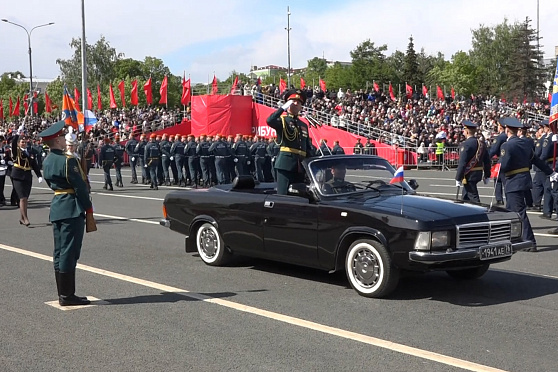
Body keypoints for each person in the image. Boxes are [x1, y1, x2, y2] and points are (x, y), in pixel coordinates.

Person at [39, 120, 93, 306]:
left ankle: (63, 293)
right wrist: (87, 207)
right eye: (61, 137)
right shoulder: (68, 160)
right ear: (57, 141)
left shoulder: (47, 160)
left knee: (59, 252)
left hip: (57, 206)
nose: (64, 139)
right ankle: (67, 295)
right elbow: (80, 187)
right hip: (71, 207)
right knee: (69, 252)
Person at [498, 117, 557, 252]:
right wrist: (550, 172)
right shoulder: (525, 144)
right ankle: (513, 239)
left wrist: (496, 170)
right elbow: (536, 160)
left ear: (507, 130)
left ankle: (529, 242)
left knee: (519, 213)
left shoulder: (507, 146)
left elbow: (505, 165)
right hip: (524, 180)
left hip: (513, 182)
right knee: (511, 213)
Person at [266, 89, 314, 195]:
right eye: (293, 101)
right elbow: (270, 121)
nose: (296, 104)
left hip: (300, 165)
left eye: (299, 102)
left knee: (300, 195)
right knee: (283, 195)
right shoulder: (283, 120)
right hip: (285, 164)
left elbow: (307, 147)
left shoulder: (303, 125)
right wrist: (282, 108)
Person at [11, 128, 43, 226]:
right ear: (18, 143)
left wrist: (39, 175)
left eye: (25, 142)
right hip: (17, 175)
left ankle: (21, 218)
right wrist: (16, 134)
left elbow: (34, 164)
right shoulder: (16, 151)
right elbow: (13, 143)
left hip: (27, 176)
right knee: (22, 198)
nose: (23, 143)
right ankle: (25, 218)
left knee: (25, 198)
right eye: (22, 142)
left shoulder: (30, 152)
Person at [455, 120, 491, 203]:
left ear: (467, 132)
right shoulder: (481, 143)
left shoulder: (466, 144)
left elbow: (462, 163)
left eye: (464, 130)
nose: (463, 132)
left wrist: (458, 177)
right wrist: (487, 174)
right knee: (465, 196)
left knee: (473, 197)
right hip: (478, 173)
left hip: (469, 175)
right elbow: (487, 160)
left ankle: (480, 213)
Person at [489, 121, 507, 205]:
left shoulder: (500, 137)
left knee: (498, 180)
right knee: (504, 180)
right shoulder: (508, 136)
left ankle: (499, 199)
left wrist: (487, 157)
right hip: (509, 161)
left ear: (500, 127)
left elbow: (494, 150)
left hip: (501, 160)